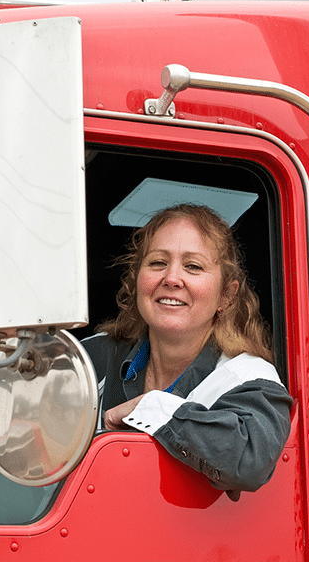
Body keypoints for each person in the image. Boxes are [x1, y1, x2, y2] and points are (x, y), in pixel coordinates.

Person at [82, 204, 292, 498]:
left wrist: (151, 408)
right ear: (137, 280)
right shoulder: (91, 358)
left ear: (226, 295)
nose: (171, 278)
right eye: (157, 263)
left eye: (193, 266)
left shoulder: (247, 377)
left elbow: (249, 458)